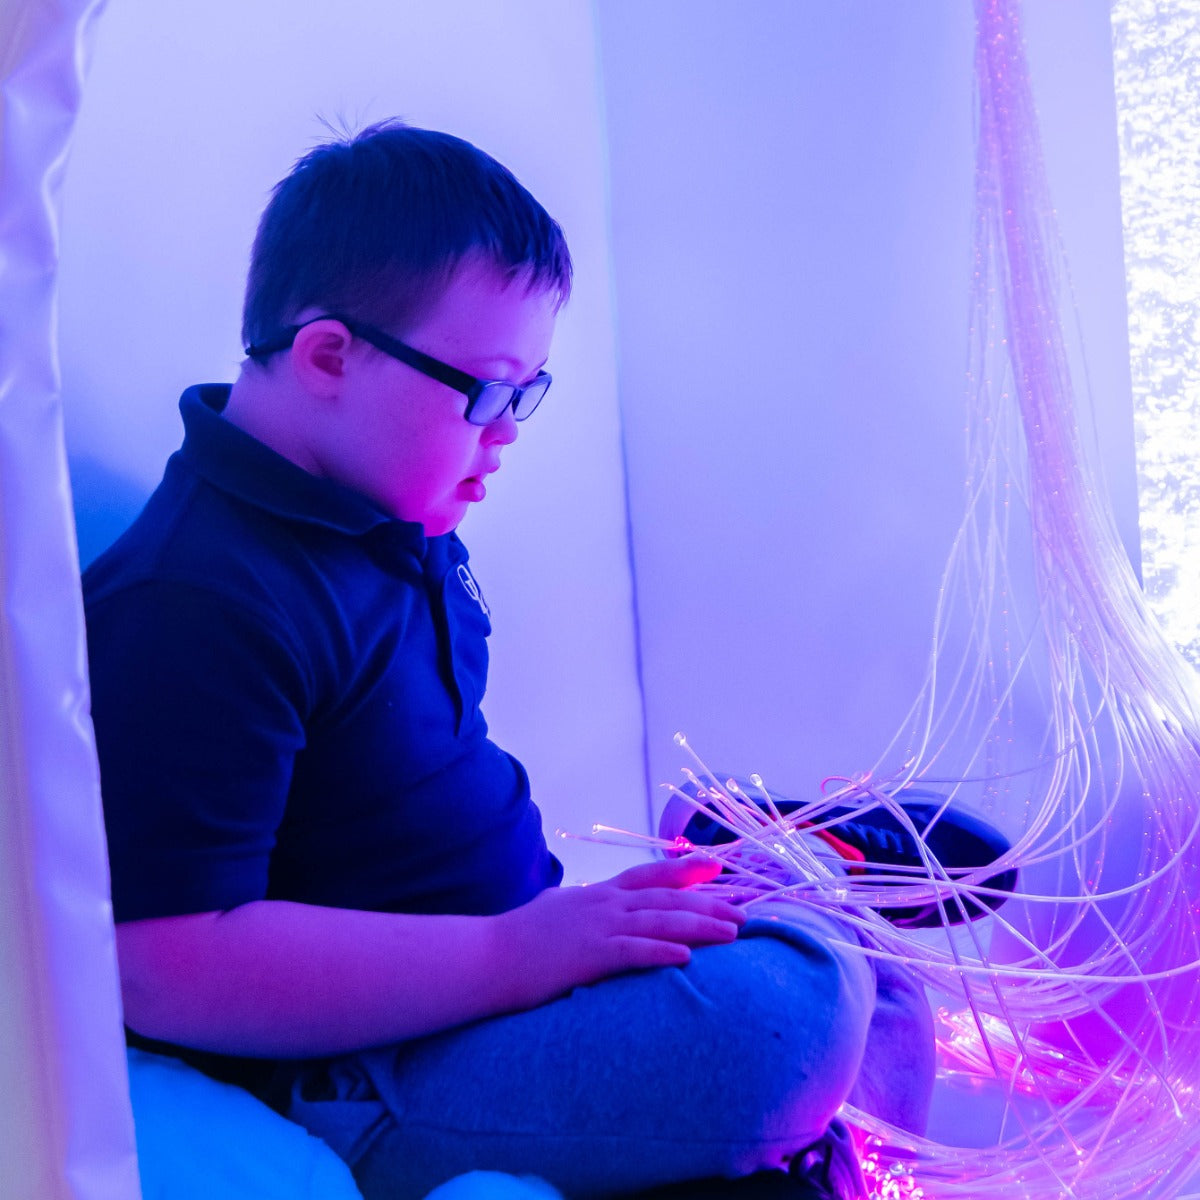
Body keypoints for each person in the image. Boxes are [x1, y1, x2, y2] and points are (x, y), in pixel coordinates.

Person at [84, 120, 937, 1200]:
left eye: (528, 394)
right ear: (330, 356)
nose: (510, 431)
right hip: (366, 1071)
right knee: (791, 1009)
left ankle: (786, 1114)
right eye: (486, 390)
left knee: (871, 965)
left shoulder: (390, 518)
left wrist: (560, 942)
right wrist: (517, 955)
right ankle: (773, 1133)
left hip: (495, 979)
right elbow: (165, 963)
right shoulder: (197, 598)